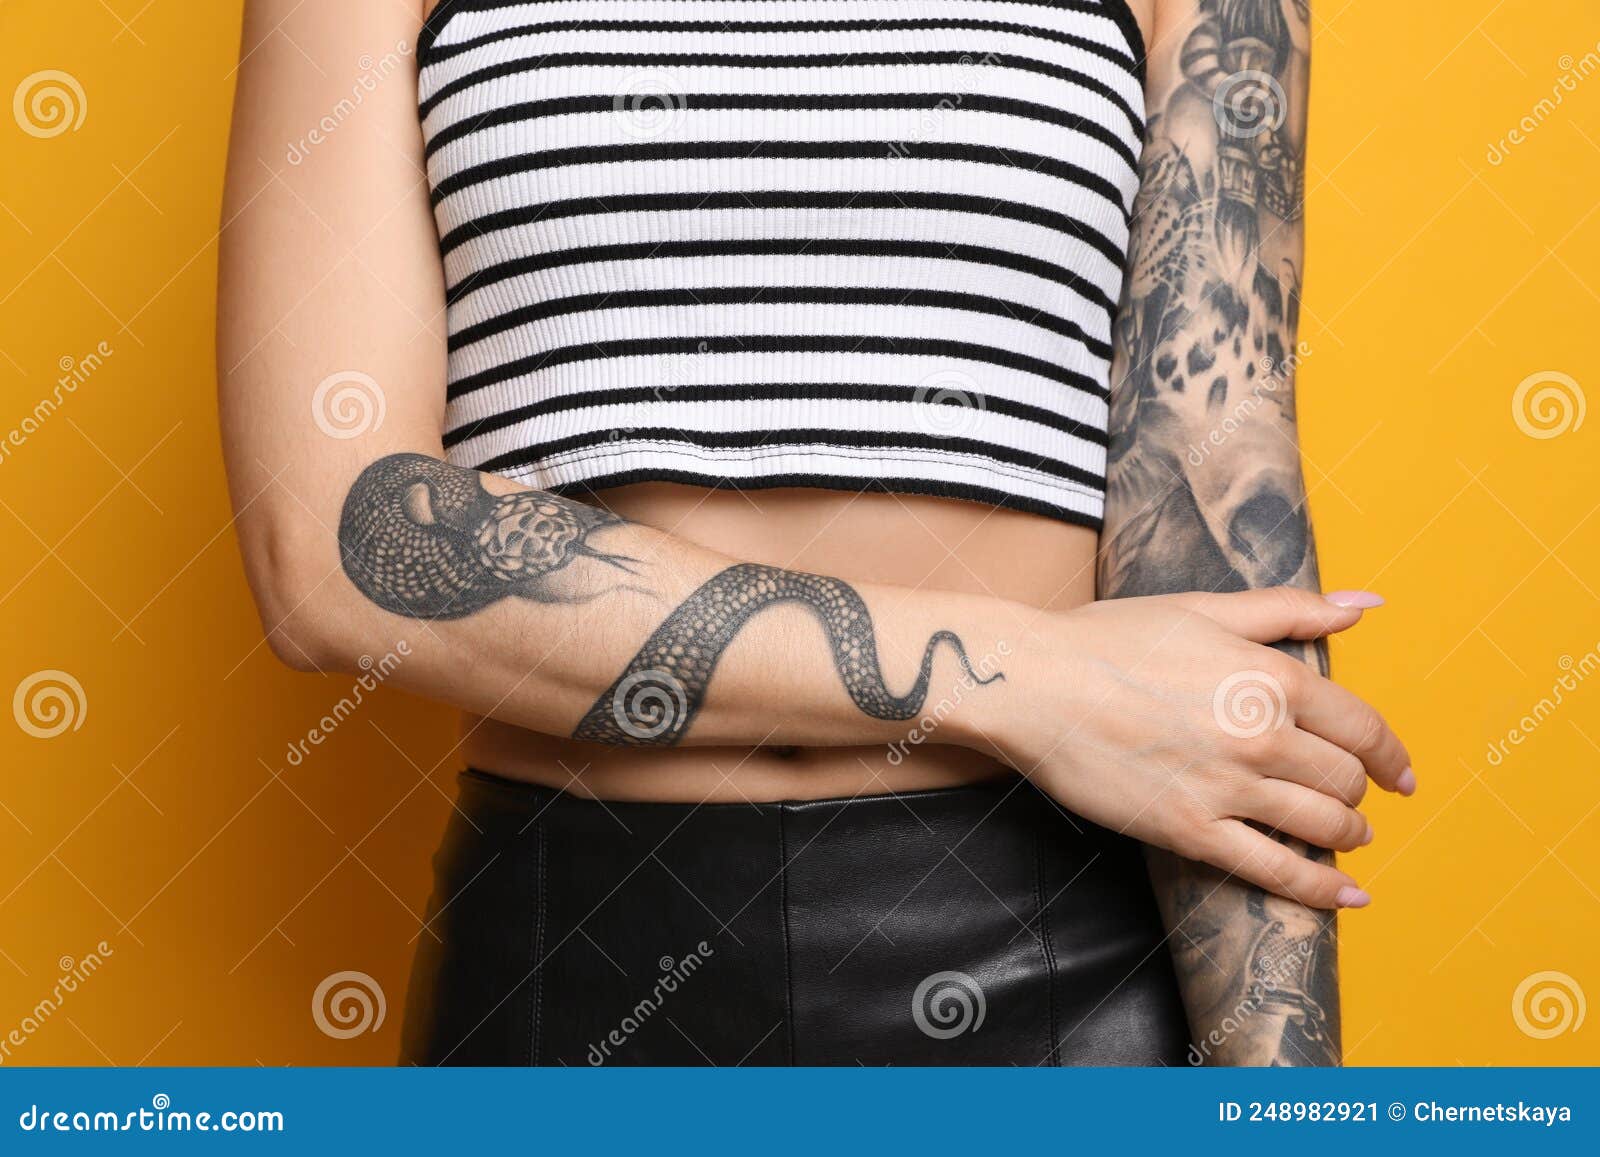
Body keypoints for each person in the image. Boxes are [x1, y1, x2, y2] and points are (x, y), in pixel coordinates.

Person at [218, 0, 1411, 1066]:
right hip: (576, 947)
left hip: (1060, 952)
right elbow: (333, 551)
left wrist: (1280, 1098)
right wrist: (1022, 676)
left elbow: (1214, 507)